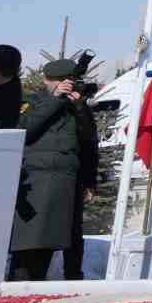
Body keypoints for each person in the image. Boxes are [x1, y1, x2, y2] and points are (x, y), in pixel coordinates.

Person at [7, 58, 84, 281]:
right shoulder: (33, 102)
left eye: (69, 80)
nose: (66, 85)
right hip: (34, 184)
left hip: (64, 184)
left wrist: (80, 108)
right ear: (47, 80)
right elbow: (24, 129)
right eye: (60, 81)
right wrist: (54, 100)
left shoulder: (74, 105)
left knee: (50, 245)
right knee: (26, 248)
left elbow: (88, 141)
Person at [63, 78, 99, 280]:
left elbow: (90, 145)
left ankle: (73, 276)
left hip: (76, 179)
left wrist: (90, 181)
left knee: (74, 232)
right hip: (50, 180)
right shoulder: (48, 105)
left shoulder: (82, 110)